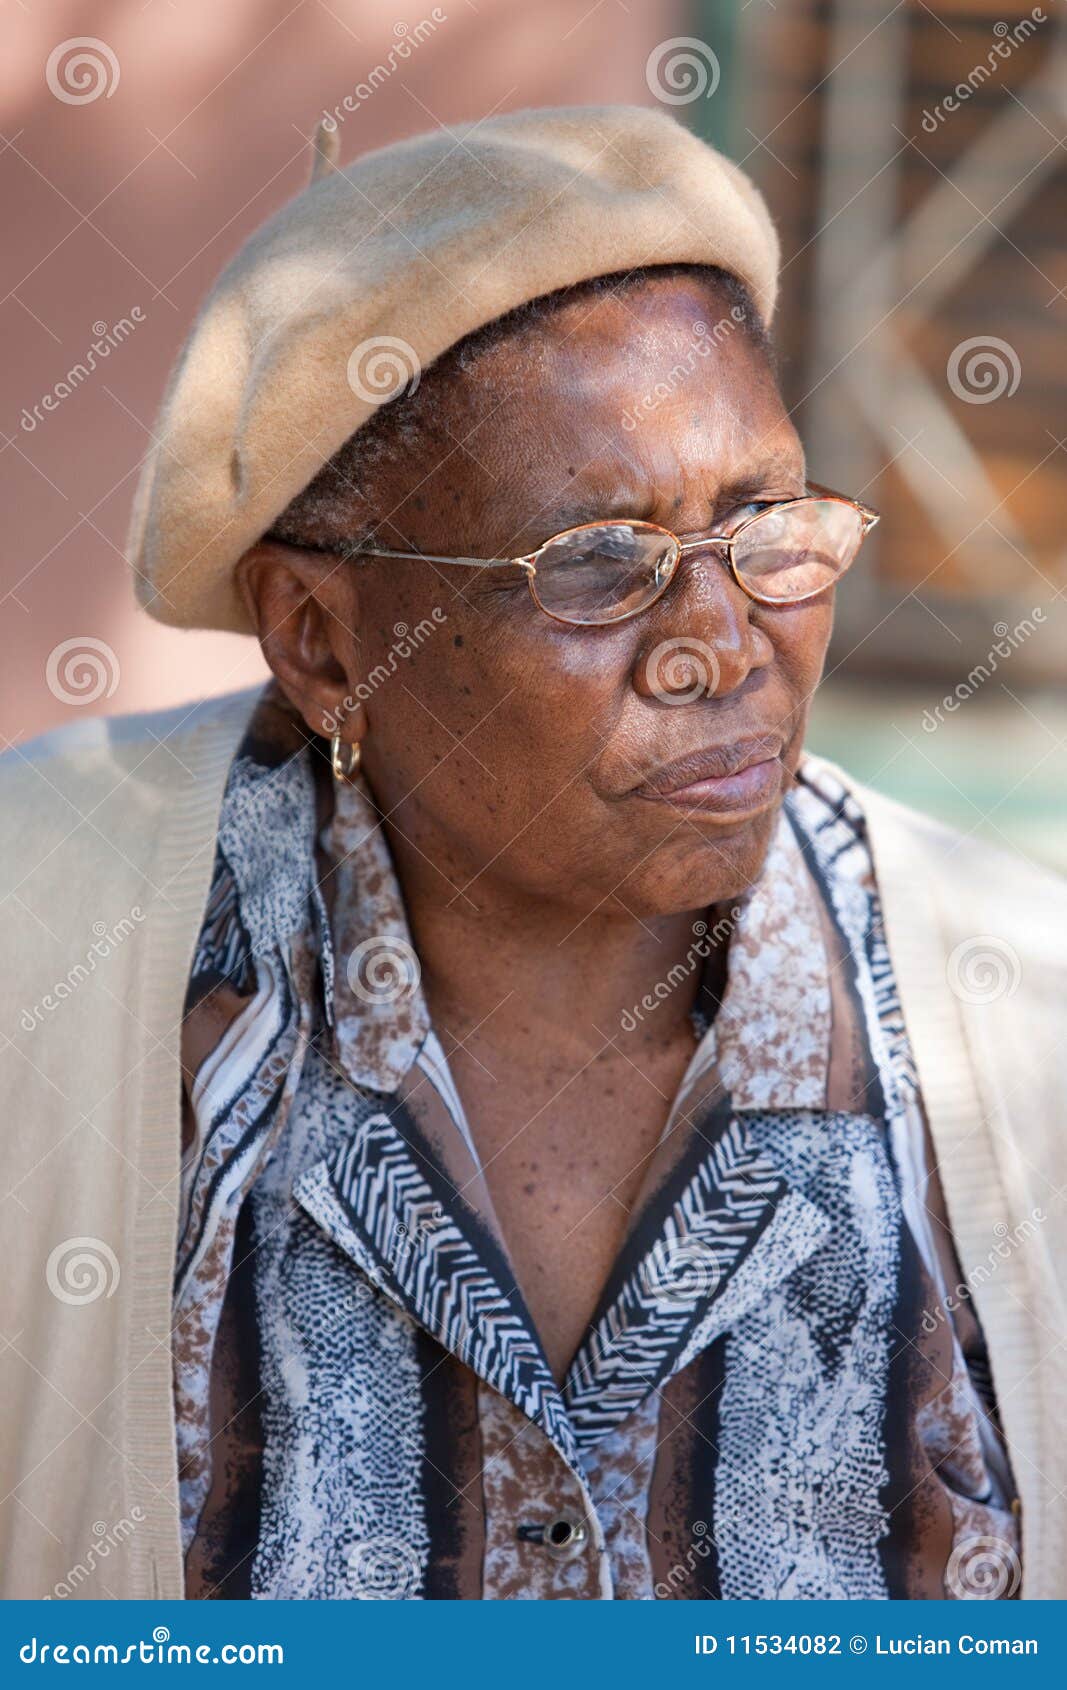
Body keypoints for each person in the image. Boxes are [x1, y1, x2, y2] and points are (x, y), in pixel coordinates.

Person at [2, 106, 1064, 1602]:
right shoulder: (40, 957)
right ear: (321, 640)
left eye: (764, 521)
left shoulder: (1023, 1018)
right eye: (596, 562)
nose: (720, 644)